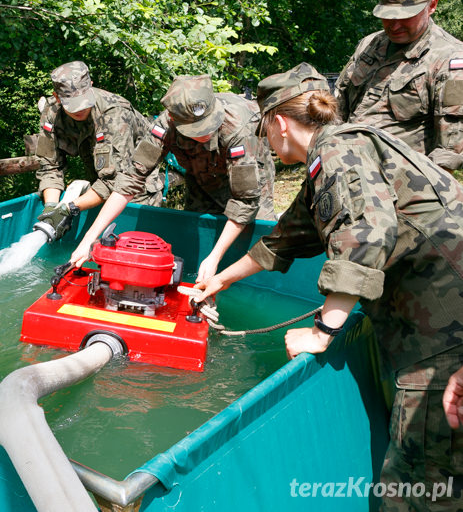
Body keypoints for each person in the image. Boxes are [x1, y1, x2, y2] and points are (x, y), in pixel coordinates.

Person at [195, 62, 463, 510]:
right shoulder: (336, 155)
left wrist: (323, 332)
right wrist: (217, 280)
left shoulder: (339, 152)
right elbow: (282, 242)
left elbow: (367, 235)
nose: (265, 142)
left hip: (443, 336)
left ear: (279, 122)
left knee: (420, 487)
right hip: (433, 323)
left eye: (263, 131)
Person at [70, 74, 276, 281]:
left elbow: (245, 200)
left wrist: (215, 257)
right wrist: (90, 237)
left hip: (249, 174)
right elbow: (130, 180)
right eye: (196, 129)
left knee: (254, 237)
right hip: (200, 173)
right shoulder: (164, 126)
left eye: (208, 123)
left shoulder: (238, 128)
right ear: (174, 120)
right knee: (197, 232)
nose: (205, 132)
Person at [335, 0, 463, 171]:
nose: (394, 25)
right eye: (388, 16)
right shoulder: (369, 45)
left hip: (401, 185)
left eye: (405, 16)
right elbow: (337, 106)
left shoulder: (452, 60)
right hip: (346, 169)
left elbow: (449, 150)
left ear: (432, 6)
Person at [33, 61, 163, 240]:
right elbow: (50, 167)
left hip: (136, 190)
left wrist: (68, 208)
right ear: (57, 97)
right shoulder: (51, 113)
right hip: (99, 186)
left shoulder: (115, 112)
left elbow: (117, 180)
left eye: (83, 101)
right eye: (72, 103)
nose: (80, 109)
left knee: (133, 247)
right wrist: (51, 208)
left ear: (91, 86)